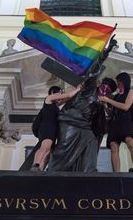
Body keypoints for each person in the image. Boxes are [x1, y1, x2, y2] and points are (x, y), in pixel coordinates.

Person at [47, 37, 118, 172]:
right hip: (71, 121)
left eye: (108, 91)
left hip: (87, 128)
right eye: (105, 87)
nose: (105, 91)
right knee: (62, 151)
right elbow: (93, 70)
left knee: (90, 153)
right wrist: (105, 53)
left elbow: (103, 124)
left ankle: (88, 177)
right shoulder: (89, 88)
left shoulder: (103, 104)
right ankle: (53, 175)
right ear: (100, 84)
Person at [31, 85, 81, 171]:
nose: (60, 95)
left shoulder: (55, 105)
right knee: (45, 147)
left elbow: (67, 98)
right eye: (60, 93)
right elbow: (68, 95)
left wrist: (77, 91)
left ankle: (41, 168)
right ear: (53, 92)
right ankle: (36, 164)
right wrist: (79, 88)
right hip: (47, 127)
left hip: (53, 128)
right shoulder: (49, 98)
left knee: (48, 151)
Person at [99, 72, 133, 172]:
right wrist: (105, 105)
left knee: (129, 141)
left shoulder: (131, 92)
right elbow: (111, 113)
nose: (118, 84)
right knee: (113, 146)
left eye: (119, 82)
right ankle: (116, 172)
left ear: (125, 81)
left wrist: (108, 100)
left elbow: (125, 107)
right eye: (117, 82)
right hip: (114, 122)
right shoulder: (116, 96)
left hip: (125, 121)